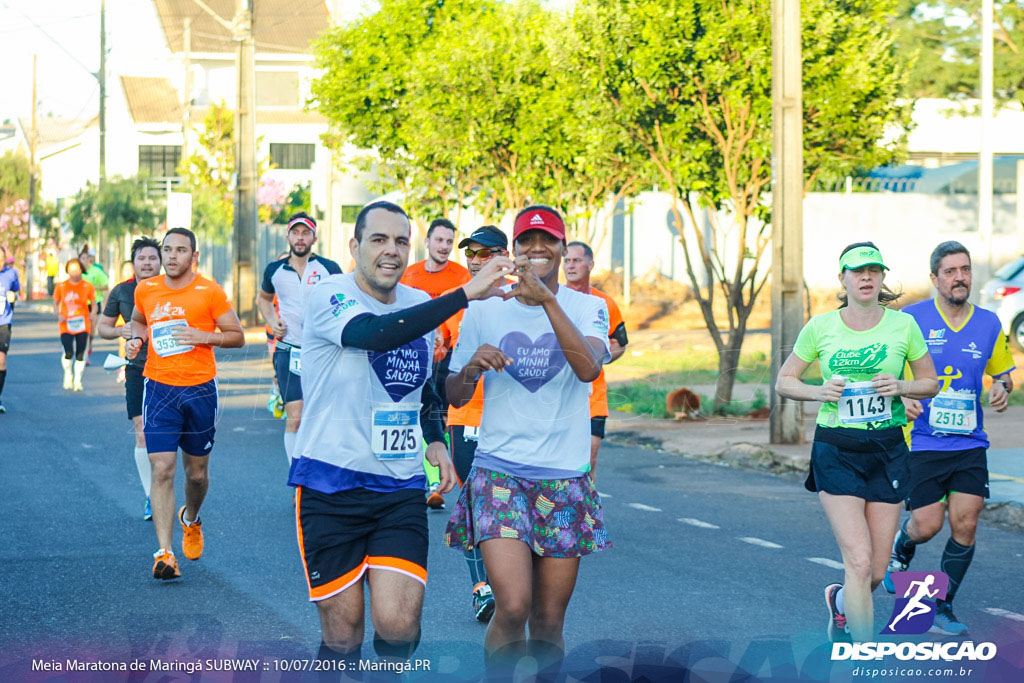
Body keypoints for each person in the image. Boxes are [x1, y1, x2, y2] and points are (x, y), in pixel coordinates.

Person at [289, 200, 512, 667]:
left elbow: (424, 389)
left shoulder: (418, 306)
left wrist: (434, 437)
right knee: (344, 635)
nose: (391, 251)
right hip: (330, 484)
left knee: (399, 626)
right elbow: (375, 333)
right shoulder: (332, 294)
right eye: (378, 239)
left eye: (400, 241)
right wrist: (464, 294)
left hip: (400, 488)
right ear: (354, 247)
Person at [445, 205, 612, 676]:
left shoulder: (588, 306)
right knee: (514, 605)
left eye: (548, 242)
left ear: (562, 248)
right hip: (500, 471)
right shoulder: (483, 309)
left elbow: (588, 368)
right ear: (514, 250)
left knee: (547, 619)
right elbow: (454, 392)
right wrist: (472, 366)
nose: (538, 250)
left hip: (564, 479)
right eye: (527, 243)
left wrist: (548, 302)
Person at [775, 242, 938, 644]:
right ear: (842, 279)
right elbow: (785, 381)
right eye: (856, 271)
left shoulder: (903, 326)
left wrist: (902, 386)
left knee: (877, 573)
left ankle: (842, 604)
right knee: (860, 563)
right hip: (837, 449)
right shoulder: (821, 327)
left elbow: (930, 382)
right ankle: (865, 658)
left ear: (882, 277)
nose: (865, 277)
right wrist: (820, 392)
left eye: (873, 270)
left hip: (887, 450)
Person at [883, 241, 1015, 636]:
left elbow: (1003, 371)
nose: (960, 277)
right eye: (951, 271)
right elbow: (887, 370)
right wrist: (902, 394)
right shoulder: (911, 319)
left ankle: (943, 607)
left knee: (966, 523)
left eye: (965, 269)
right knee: (927, 525)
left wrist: (1003, 387)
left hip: (970, 443)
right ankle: (902, 548)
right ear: (934, 278)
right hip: (922, 441)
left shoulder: (989, 322)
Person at [126, 228, 245, 581]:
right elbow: (136, 319)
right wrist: (136, 338)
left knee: (196, 474)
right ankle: (165, 553)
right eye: (167, 249)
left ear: (194, 255)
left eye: (180, 250)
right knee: (162, 469)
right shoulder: (146, 289)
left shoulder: (209, 291)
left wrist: (204, 336)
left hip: (200, 391)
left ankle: (190, 518)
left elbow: (237, 336)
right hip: (159, 389)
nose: (172, 256)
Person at [440, 225, 512, 622]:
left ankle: (510, 583)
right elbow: (448, 368)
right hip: (466, 415)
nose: (474, 260)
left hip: (508, 416)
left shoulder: (523, 299)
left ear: (503, 256)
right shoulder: (459, 301)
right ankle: (482, 588)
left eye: (485, 254)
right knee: (474, 503)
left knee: (508, 504)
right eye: (471, 253)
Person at [257, 213, 341, 466]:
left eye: (306, 233)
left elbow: (343, 300)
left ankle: (320, 468)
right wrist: (273, 322)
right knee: (295, 415)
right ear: (288, 237)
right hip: (288, 349)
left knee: (321, 415)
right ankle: (298, 477)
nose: (300, 238)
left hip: (322, 351)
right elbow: (263, 299)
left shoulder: (329, 268)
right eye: (296, 233)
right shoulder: (275, 269)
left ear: (314, 237)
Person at [400, 218, 472, 509]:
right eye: (439, 240)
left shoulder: (463, 276)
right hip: (415, 352)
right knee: (419, 413)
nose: (443, 246)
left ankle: (434, 477)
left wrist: (443, 339)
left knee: (439, 416)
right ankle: (429, 481)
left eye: (448, 242)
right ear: (427, 242)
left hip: (450, 355)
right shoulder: (409, 275)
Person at [97, 238, 162, 521]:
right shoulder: (122, 291)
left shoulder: (171, 289)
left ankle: (165, 484)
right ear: (133, 263)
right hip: (136, 367)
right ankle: (152, 497)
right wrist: (120, 332)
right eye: (141, 258)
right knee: (142, 430)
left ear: (160, 261)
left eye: (152, 258)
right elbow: (103, 327)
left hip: (172, 369)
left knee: (169, 435)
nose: (147, 263)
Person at [563, 240, 629, 481]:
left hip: (593, 395)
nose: (570, 266)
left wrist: (599, 358)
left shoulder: (604, 303)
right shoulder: (553, 300)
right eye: (567, 260)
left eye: (577, 260)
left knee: (589, 456)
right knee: (560, 457)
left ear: (590, 264)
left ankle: (585, 512)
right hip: (559, 391)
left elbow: (620, 343)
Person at [53, 258, 96, 392]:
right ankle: (68, 374)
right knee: (68, 351)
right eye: (71, 270)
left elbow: (93, 303)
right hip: (66, 324)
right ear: (67, 271)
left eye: (76, 269)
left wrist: (93, 313)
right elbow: (55, 302)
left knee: (80, 353)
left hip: (82, 323)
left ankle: (78, 380)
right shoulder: (61, 286)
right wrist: (58, 314)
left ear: (81, 270)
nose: (74, 273)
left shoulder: (87, 286)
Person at [0, 245, 21, 413]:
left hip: (3, 322)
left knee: (1, 360)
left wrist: (14, 297)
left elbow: (17, 292)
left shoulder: (11, 274)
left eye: (2, 259)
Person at [79, 248, 109, 365]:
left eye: (87, 258)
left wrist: (94, 289)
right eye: (82, 258)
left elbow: (105, 285)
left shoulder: (96, 271)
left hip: (94, 304)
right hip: (80, 305)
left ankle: (89, 345)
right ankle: (84, 355)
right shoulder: (77, 273)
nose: (85, 261)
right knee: (83, 331)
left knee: (91, 332)